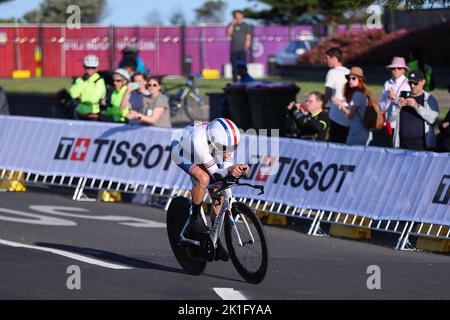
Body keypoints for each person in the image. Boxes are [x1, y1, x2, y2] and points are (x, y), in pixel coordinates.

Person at [170, 118, 250, 261]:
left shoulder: (225, 141)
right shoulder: (199, 141)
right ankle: (195, 216)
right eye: (225, 148)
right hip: (183, 150)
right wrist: (230, 170)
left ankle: (214, 242)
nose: (228, 151)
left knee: (219, 193)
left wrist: (236, 169)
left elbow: (226, 169)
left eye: (233, 147)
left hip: (206, 149)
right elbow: (216, 173)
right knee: (204, 179)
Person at [389, 70, 439, 151]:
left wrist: (417, 107)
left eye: (415, 83)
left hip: (421, 146)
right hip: (401, 146)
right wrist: (397, 107)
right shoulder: (402, 96)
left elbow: (433, 118)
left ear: (423, 82)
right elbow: (389, 118)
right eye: (410, 83)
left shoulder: (429, 99)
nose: (412, 86)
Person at [334, 67, 371, 146]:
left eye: (353, 78)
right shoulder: (362, 93)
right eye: (349, 78)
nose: (350, 80)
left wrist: (340, 105)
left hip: (357, 131)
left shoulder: (357, 94)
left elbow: (350, 114)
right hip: (363, 130)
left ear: (360, 79)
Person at [378, 57, 411, 146]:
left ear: (404, 70)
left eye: (399, 68)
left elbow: (406, 105)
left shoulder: (408, 84)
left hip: (399, 123)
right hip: (387, 123)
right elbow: (381, 105)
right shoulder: (387, 83)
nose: (396, 70)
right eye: (393, 68)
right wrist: (388, 99)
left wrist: (394, 98)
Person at [323, 47, 350, 144]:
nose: (326, 61)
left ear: (334, 59)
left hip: (336, 114)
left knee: (335, 143)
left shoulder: (332, 72)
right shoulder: (348, 71)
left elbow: (328, 93)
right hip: (348, 111)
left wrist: (321, 106)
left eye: (327, 58)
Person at [69, 54, 106, 120]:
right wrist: (82, 81)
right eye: (88, 67)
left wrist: (80, 98)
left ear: (97, 68)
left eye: (93, 68)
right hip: (80, 112)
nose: (90, 70)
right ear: (84, 67)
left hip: (93, 114)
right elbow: (73, 94)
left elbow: (94, 99)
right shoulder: (80, 79)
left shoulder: (99, 81)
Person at [227, 10, 252, 82]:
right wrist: (232, 24)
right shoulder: (232, 25)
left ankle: (243, 80)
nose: (236, 16)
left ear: (242, 15)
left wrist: (246, 46)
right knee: (234, 67)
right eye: (235, 15)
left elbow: (248, 37)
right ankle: (234, 81)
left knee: (242, 66)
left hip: (241, 50)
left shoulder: (245, 25)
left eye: (238, 15)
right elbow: (229, 34)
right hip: (233, 49)